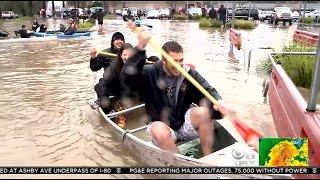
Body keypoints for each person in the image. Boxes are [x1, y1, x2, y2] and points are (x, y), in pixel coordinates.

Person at [121, 25, 236, 156]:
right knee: (159, 130)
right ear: (164, 61)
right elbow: (127, 77)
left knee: (205, 112)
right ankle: (181, 165)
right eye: (174, 61)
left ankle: (207, 158)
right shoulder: (150, 73)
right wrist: (140, 48)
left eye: (181, 60)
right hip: (160, 124)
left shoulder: (188, 73)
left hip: (182, 122)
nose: (179, 65)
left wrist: (219, 104)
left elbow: (207, 90)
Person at [89, 32, 125, 109]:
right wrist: (93, 57)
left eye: (122, 39)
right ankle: (105, 105)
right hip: (110, 84)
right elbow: (94, 68)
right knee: (99, 85)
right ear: (112, 42)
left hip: (125, 84)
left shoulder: (127, 52)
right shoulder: (104, 54)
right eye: (117, 39)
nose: (120, 41)